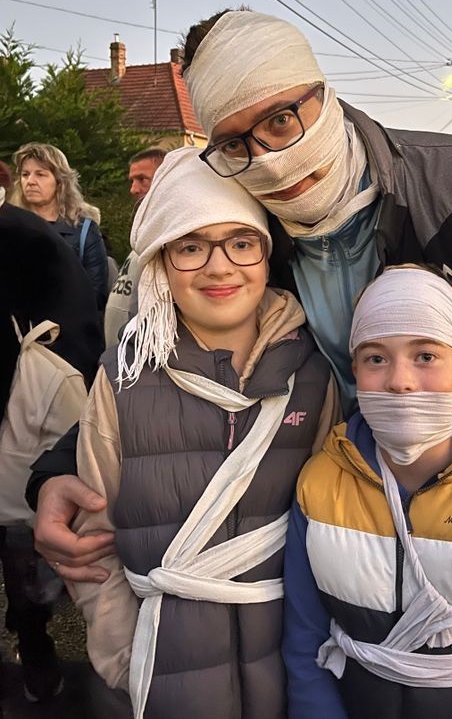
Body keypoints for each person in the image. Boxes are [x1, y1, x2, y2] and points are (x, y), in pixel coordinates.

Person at [29, 10, 452, 685]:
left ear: (318, 90)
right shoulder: (251, 227)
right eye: (235, 142)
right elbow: (175, 359)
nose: (267, 158)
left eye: (281, 120)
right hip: (324, 555)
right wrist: (59, 468)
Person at [67, 148, 339, 719]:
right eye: (191, 246)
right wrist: (122, 651)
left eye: (241, 243)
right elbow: (94, 529)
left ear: (267, 255)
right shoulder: (122, 376)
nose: (220, 268)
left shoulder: (314, 372)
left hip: (288, 668)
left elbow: (333, 525)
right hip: (155, 668)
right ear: (162, 262)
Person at [284, 265, 452, 719]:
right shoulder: (319, 483)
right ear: (355, 372)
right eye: (376, 358)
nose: (401, 381)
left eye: (426, 356)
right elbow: (304, 635)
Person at [0, 186, 103, 704]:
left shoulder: (23, 234)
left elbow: (76, 316)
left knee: (23, 549)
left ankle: (36, 644)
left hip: (31, 400)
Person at [11, 142, 109, 310]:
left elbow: (96, 294)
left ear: (59, 181)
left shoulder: (83, 230)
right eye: (25, 174)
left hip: (68, 330)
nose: (30, 181)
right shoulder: (9, 226)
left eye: (40, 174)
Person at [104, 148, 168, 346]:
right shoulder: (144, 233)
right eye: (132, 180)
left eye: (142, 179)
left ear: (167, 179)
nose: (133, 189)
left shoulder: (170, 240)